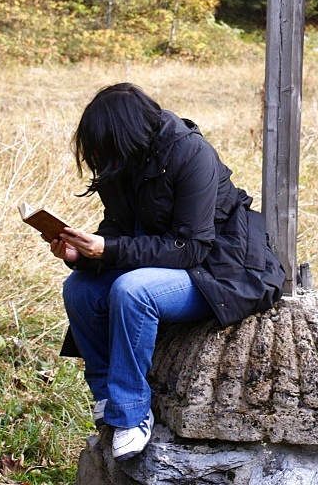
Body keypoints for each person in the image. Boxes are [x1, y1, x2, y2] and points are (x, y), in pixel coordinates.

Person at [50, 82, 286, 461]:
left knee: (133, 290)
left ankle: (131, 414)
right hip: (166, 262)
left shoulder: (191, 154)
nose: (95, 155)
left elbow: (191, 247)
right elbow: (120, 229)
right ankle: (108, 396)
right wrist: (84, 254)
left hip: (222, 270)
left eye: (101, 145)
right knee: (79, 289)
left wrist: (109, 249)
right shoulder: (123, 161)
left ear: (123, 135)